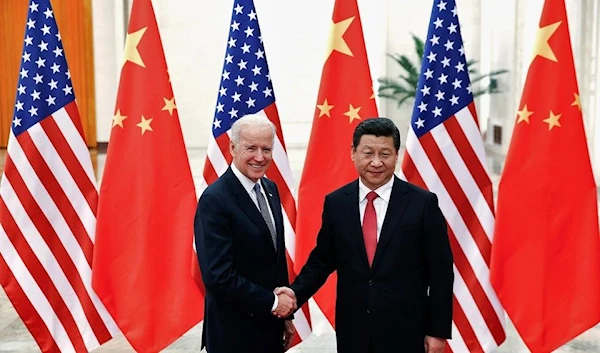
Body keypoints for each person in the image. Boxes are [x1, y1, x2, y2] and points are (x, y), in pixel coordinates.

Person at [278, 117, 454, 353]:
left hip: (406, 331)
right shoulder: (337, 202)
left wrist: (437, 331)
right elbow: (322, 260)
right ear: (353, 152)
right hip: (354, 331)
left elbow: (441, 273)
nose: (376, 162)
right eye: (368, 153)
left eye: (385, 154)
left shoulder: (422, 204)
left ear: (396, 154)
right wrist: (295, 293)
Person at [195, 114, 296, 353]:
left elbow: (274, 256)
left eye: (267, 149)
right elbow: (217, 275)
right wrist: (273, 303)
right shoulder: (215, 200)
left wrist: (284, 316)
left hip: (269, 327)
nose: (260, 157)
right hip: (233, 333)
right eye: (251, 148)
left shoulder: (270, 188)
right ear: (232, 147)